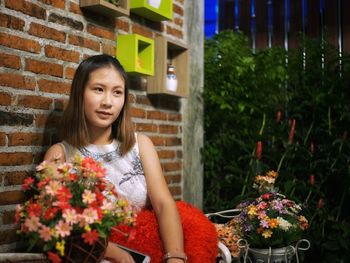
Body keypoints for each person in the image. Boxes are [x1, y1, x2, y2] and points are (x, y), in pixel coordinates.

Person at [44, 54, 187, 263]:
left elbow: (164, 205)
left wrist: (175, 258)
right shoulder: (60, 155)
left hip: (149, 251)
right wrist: (114, 253)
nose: (108, 102)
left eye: (117, 92)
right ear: (80, 93)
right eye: (98, 89)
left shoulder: (141, 145)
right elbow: (53, 226)